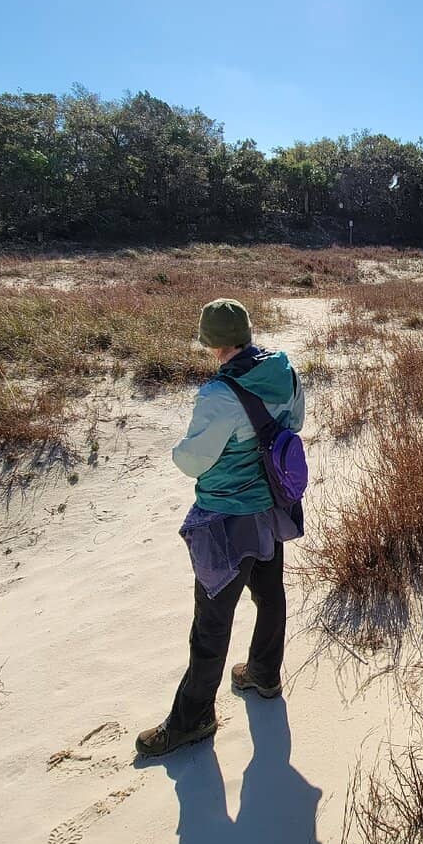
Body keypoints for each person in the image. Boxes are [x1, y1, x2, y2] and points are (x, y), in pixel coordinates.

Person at [137, 298, 305, 758]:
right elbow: (295, 423)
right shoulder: (284, 370)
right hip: (272, 510)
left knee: (211, 622)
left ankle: (193, 718)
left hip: (226, 520)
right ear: (247, 332)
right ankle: (264, 675)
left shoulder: (217, 395)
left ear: (211, 342)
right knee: (270, 595)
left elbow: (193, 461)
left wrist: (176, 451)